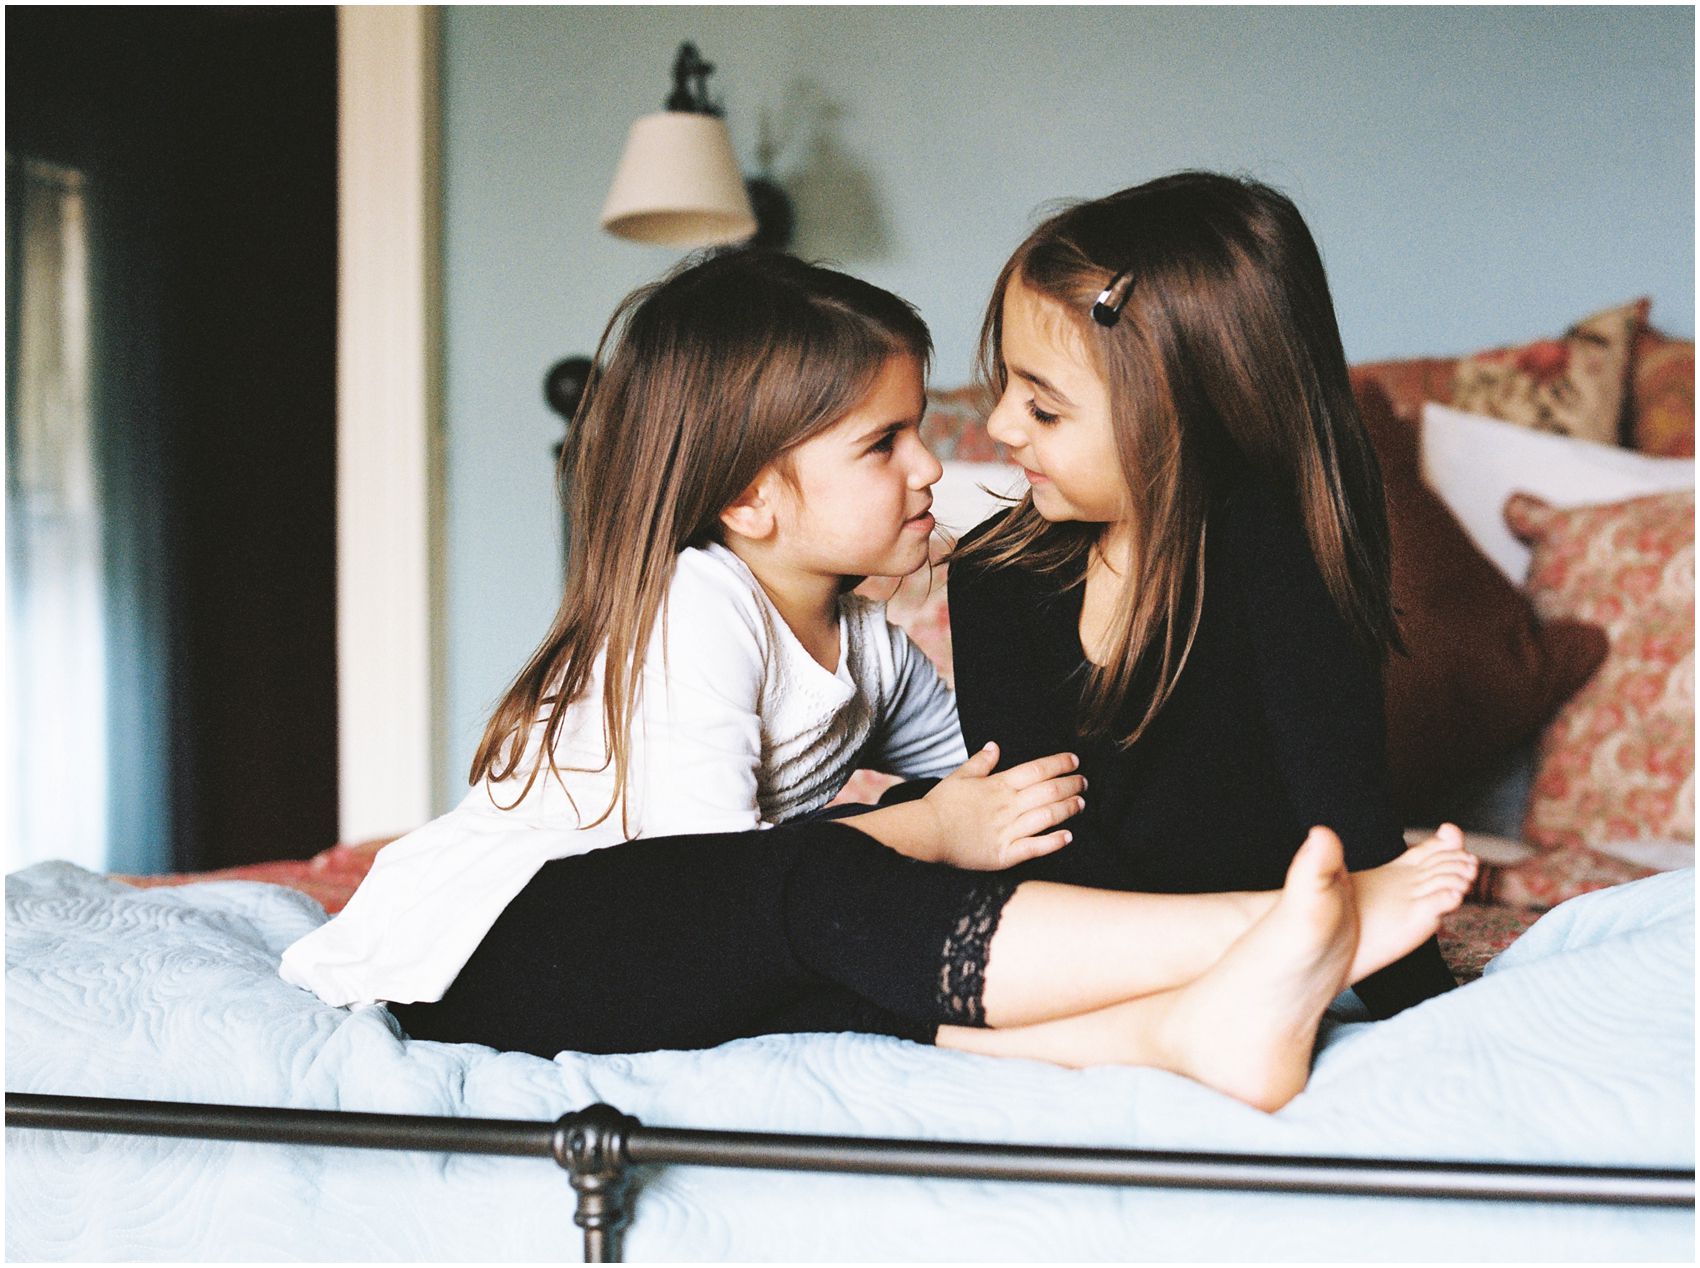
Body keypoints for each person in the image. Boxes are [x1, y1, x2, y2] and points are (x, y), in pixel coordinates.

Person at [280, 247, 1474, 1114]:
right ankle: (1275, 930)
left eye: (919, 429)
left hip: (680, 946)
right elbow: (712, 884)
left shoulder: (864, 645)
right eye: (884, 443)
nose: (933, 464)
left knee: (857, 940)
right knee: (826, 884)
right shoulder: (696, 609)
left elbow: (996, 778)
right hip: (498, 946)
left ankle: (1184, 1027)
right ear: (750, 498)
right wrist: (927, 829)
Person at [946, 170, 1459, 1018]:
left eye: (1043, 408)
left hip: (1259, 943)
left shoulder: (1276, 554)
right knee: (881, 856)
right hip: (1079, 941)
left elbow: (1348, 827)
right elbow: (1037, 836)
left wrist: (1430, 1021)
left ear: (1185, 418)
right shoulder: (996, 573)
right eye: (1006, 386)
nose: (999, 425)